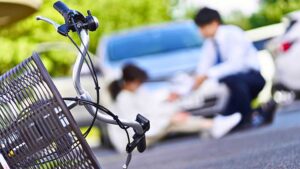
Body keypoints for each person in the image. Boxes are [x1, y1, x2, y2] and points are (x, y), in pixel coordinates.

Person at [107, 64, 241, 153]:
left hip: (139, 136)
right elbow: (137, 125)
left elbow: (151, 109)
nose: (140, 86)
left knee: (174, 120)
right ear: (130, 82)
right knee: (174, 121)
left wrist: (169, 107)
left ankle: (212, 126)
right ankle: (213, 125)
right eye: (139, 82)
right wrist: (169, 119)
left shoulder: (132, 93)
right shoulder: (124, 98)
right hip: (130, 142)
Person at [192, 7, 276, 128]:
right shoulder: (209, 43)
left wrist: (207, 75)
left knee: (232, 80)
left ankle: (249, 117)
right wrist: (195, 81)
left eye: (202, 27)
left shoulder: (233, 33)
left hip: (251, 78)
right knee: (227, 115)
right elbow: (203, 66)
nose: (200, 32)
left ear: (214, 23)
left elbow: (236, 65)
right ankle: (259, 112)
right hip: (232, 86)